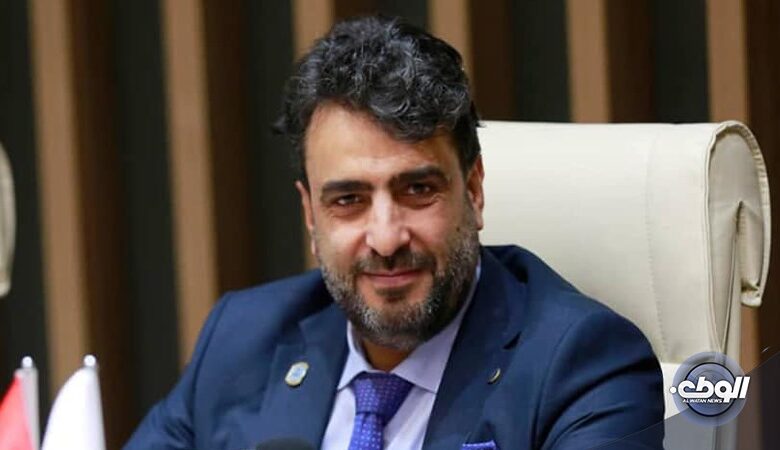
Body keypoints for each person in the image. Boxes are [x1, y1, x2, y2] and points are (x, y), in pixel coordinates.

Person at [125, 16, 664, 450]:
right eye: (348, 201)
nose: (385, 239)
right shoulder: (242, 339)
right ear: (311, 213)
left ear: (473, 190)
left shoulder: (582, 364)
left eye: (417, 190)